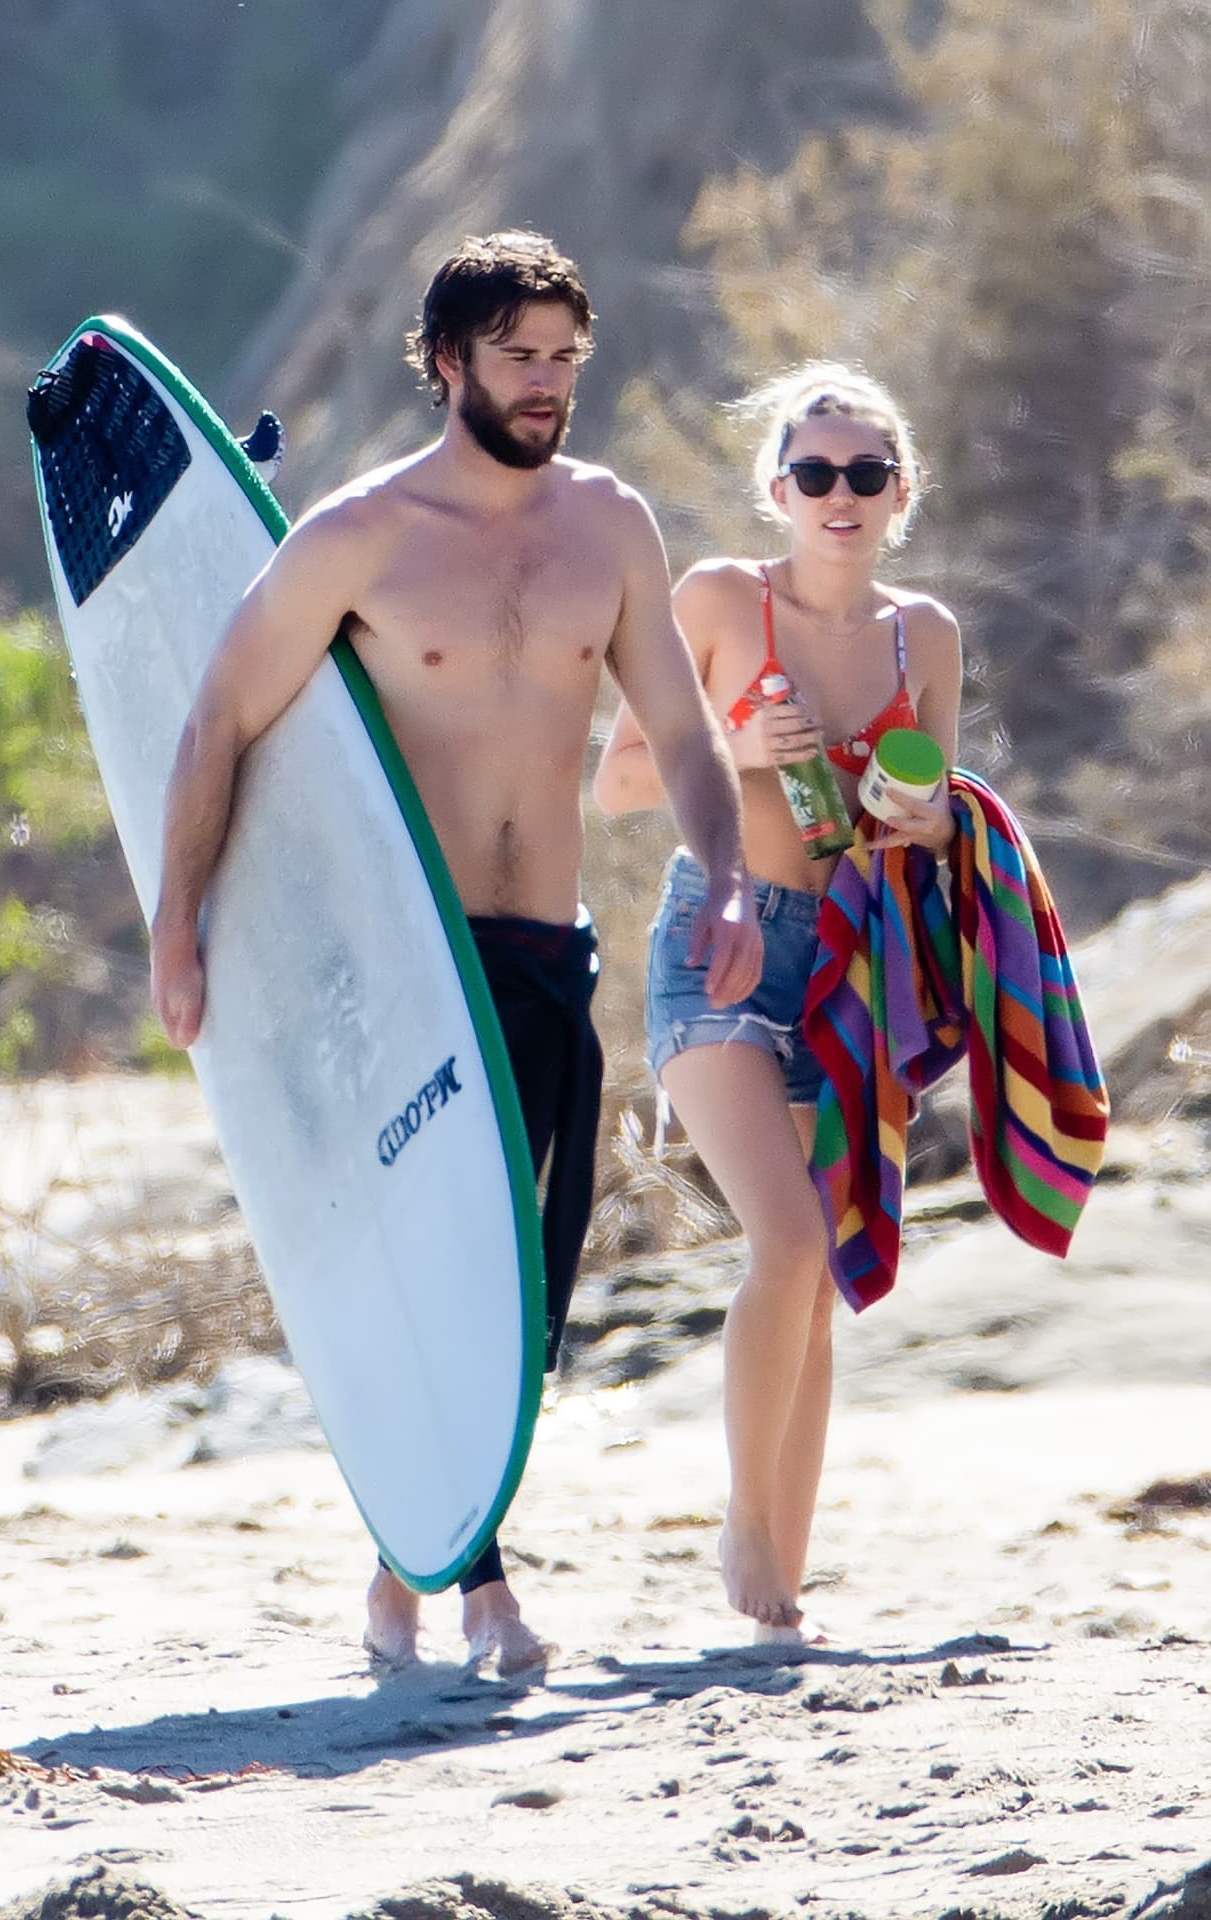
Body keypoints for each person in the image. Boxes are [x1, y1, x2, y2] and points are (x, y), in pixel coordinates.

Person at [149, 231, 762, 1674]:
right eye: (517, 358)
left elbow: (681, 730)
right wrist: (182, 924)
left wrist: (725, 879)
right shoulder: (358, 538)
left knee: (532, 1291)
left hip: (552, 953)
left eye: (564, 359)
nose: (547, 386)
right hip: (408, 966)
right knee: (448, 1262)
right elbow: (216, 722)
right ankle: (482, 1589)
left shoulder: (609, 529)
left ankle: (404, 1568)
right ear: (444, 362)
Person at [594, 362, 961, 1640]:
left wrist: (923, 816)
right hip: (719, 939)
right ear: (777, 490)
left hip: (845, 969)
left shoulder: (925, 638)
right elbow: (619, 786)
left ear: (898, 491)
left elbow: (927, 828)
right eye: (814, 473)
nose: (839, 494)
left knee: (818, 1284)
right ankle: (744, 1528)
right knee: (790, 1241)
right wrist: (740, 749)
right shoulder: (715, 600)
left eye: (865, 472)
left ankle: (778, 1595)